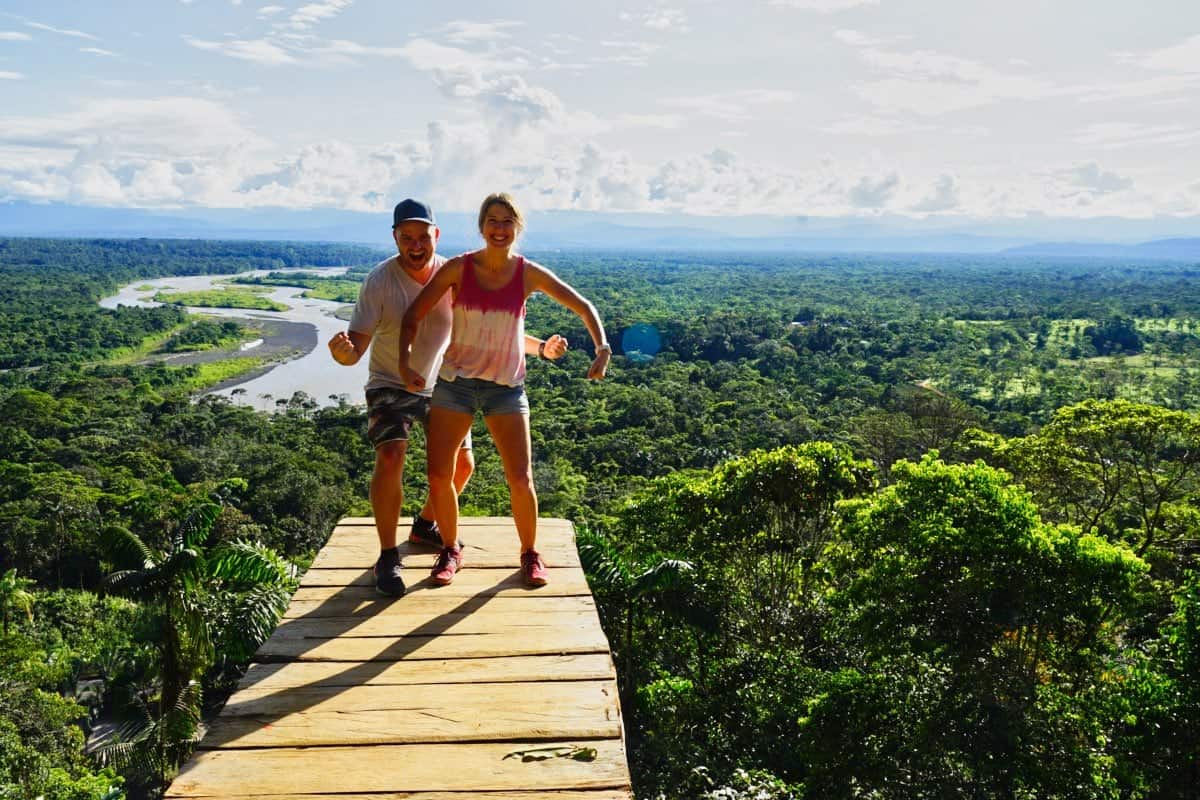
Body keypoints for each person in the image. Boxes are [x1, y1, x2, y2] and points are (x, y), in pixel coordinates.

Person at [329, 198, 567, 597]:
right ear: (395, 239)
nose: (416, 245)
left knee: (463, 467)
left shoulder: (457, 273)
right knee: (391, 455)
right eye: (407, 238)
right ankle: (388, 556)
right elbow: (356, 347)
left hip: (444, 383)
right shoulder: (380, 281)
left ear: (436, 236)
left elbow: (493, 332)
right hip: (392, 381)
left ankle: (424, 525)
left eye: (423, 237)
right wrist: (344, 354)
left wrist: (541, 347)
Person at [399, 192, 610, 588]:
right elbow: (414, 316)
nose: (499, 229)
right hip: (456, 384)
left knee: (520, 477)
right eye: (492, 221)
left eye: (507, 221)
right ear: (481, 227)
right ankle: (449, 549)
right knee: (439, 473)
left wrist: (602, 347)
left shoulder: (527, 273)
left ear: (517, 227)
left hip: (506, 390)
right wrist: (406, 364)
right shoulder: (460, 269)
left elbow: (582, 306)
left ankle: (530, 554)